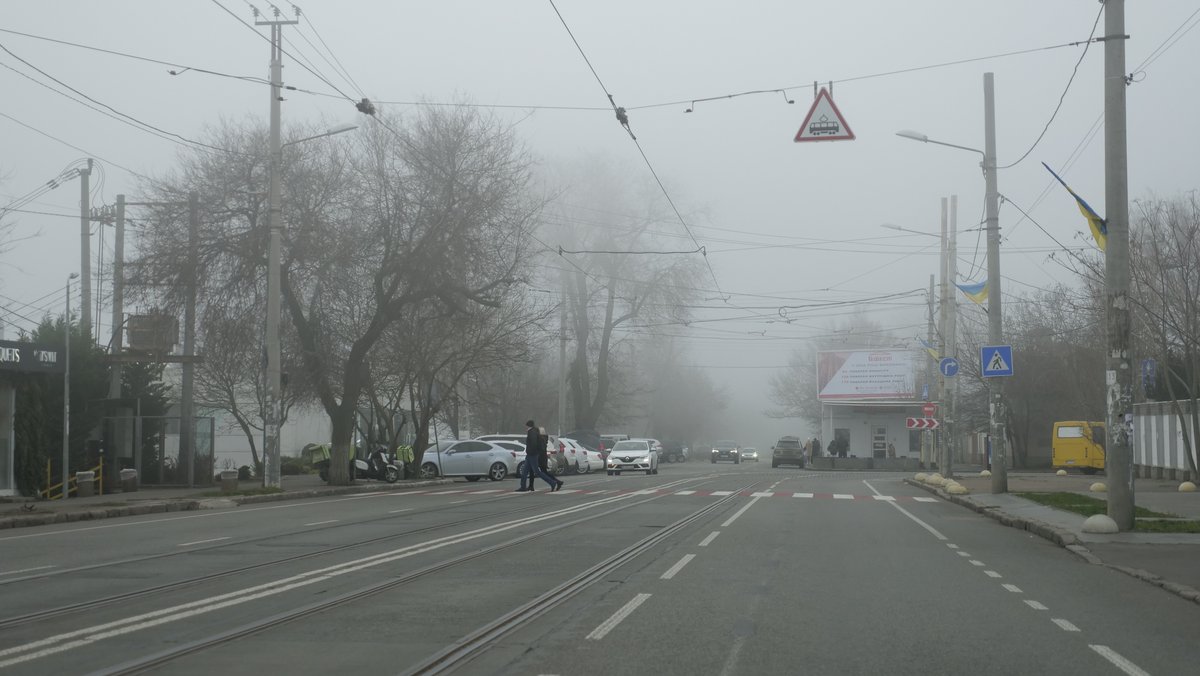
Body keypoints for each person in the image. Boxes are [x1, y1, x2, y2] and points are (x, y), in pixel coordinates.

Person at [517, 419, 561, 492]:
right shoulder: (535, 431)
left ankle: (552, 482)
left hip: (532, 455)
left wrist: (531, 451)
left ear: (528, 425)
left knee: (537, 471)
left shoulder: (532, 432)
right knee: (525, 471)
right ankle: (523, 486)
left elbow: (533, 443)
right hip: (530, 455)